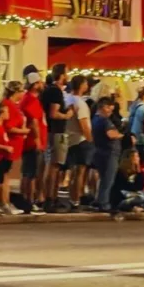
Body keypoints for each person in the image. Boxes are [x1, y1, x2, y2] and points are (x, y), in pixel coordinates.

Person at [42, 64, 73, 213]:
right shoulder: (55, 91)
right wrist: (67, 115)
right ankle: (49, 199)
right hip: (55, 131)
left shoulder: (50, 90)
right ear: (61, 74)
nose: (68, 76)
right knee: (53, 166)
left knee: (55, 165)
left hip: (53, 131)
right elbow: (53, 113)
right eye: (67, 73)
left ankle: (52, 197)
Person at [64, 75, 94, 210]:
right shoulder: (80, 103)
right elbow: (83, 123)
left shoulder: (67, 99)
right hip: (80, 140)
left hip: (69, 138)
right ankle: (76, 198)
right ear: (81, 85)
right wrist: (90, 139)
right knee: (80, 171)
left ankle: (72, 197)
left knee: (73, 171)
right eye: (86, 83)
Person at [19, 71, 47, 215]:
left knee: (28, 172)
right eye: (40, 82)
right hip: (32, 141)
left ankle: (26, 199)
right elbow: (35, 122)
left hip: (30, 140)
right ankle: (28, 200)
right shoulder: (31, 100)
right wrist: (37, 140)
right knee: (31, 173)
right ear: (35, 85)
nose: (42, 84)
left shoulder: (27, 99)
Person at [1, 80, 29, 213]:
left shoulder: (14, 106)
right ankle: (4, 202)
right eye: (21, 91)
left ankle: (5, 201)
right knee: (4, 175)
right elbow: (9, 127)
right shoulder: (7, 106)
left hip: (16, 144)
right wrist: (24, 131)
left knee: (7, 174)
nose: (23, 93)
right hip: (9, 144)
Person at [91, 97, 122, 212]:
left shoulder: (95, 119)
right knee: (108, 179)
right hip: (109, 152)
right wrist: (121, 135)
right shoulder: (104, 120)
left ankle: (99, 200)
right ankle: (103, 203)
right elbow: (111, 134)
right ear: (103, 107)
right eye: (109, 108)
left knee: (104, 178)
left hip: (100, 151)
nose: (110, 111)